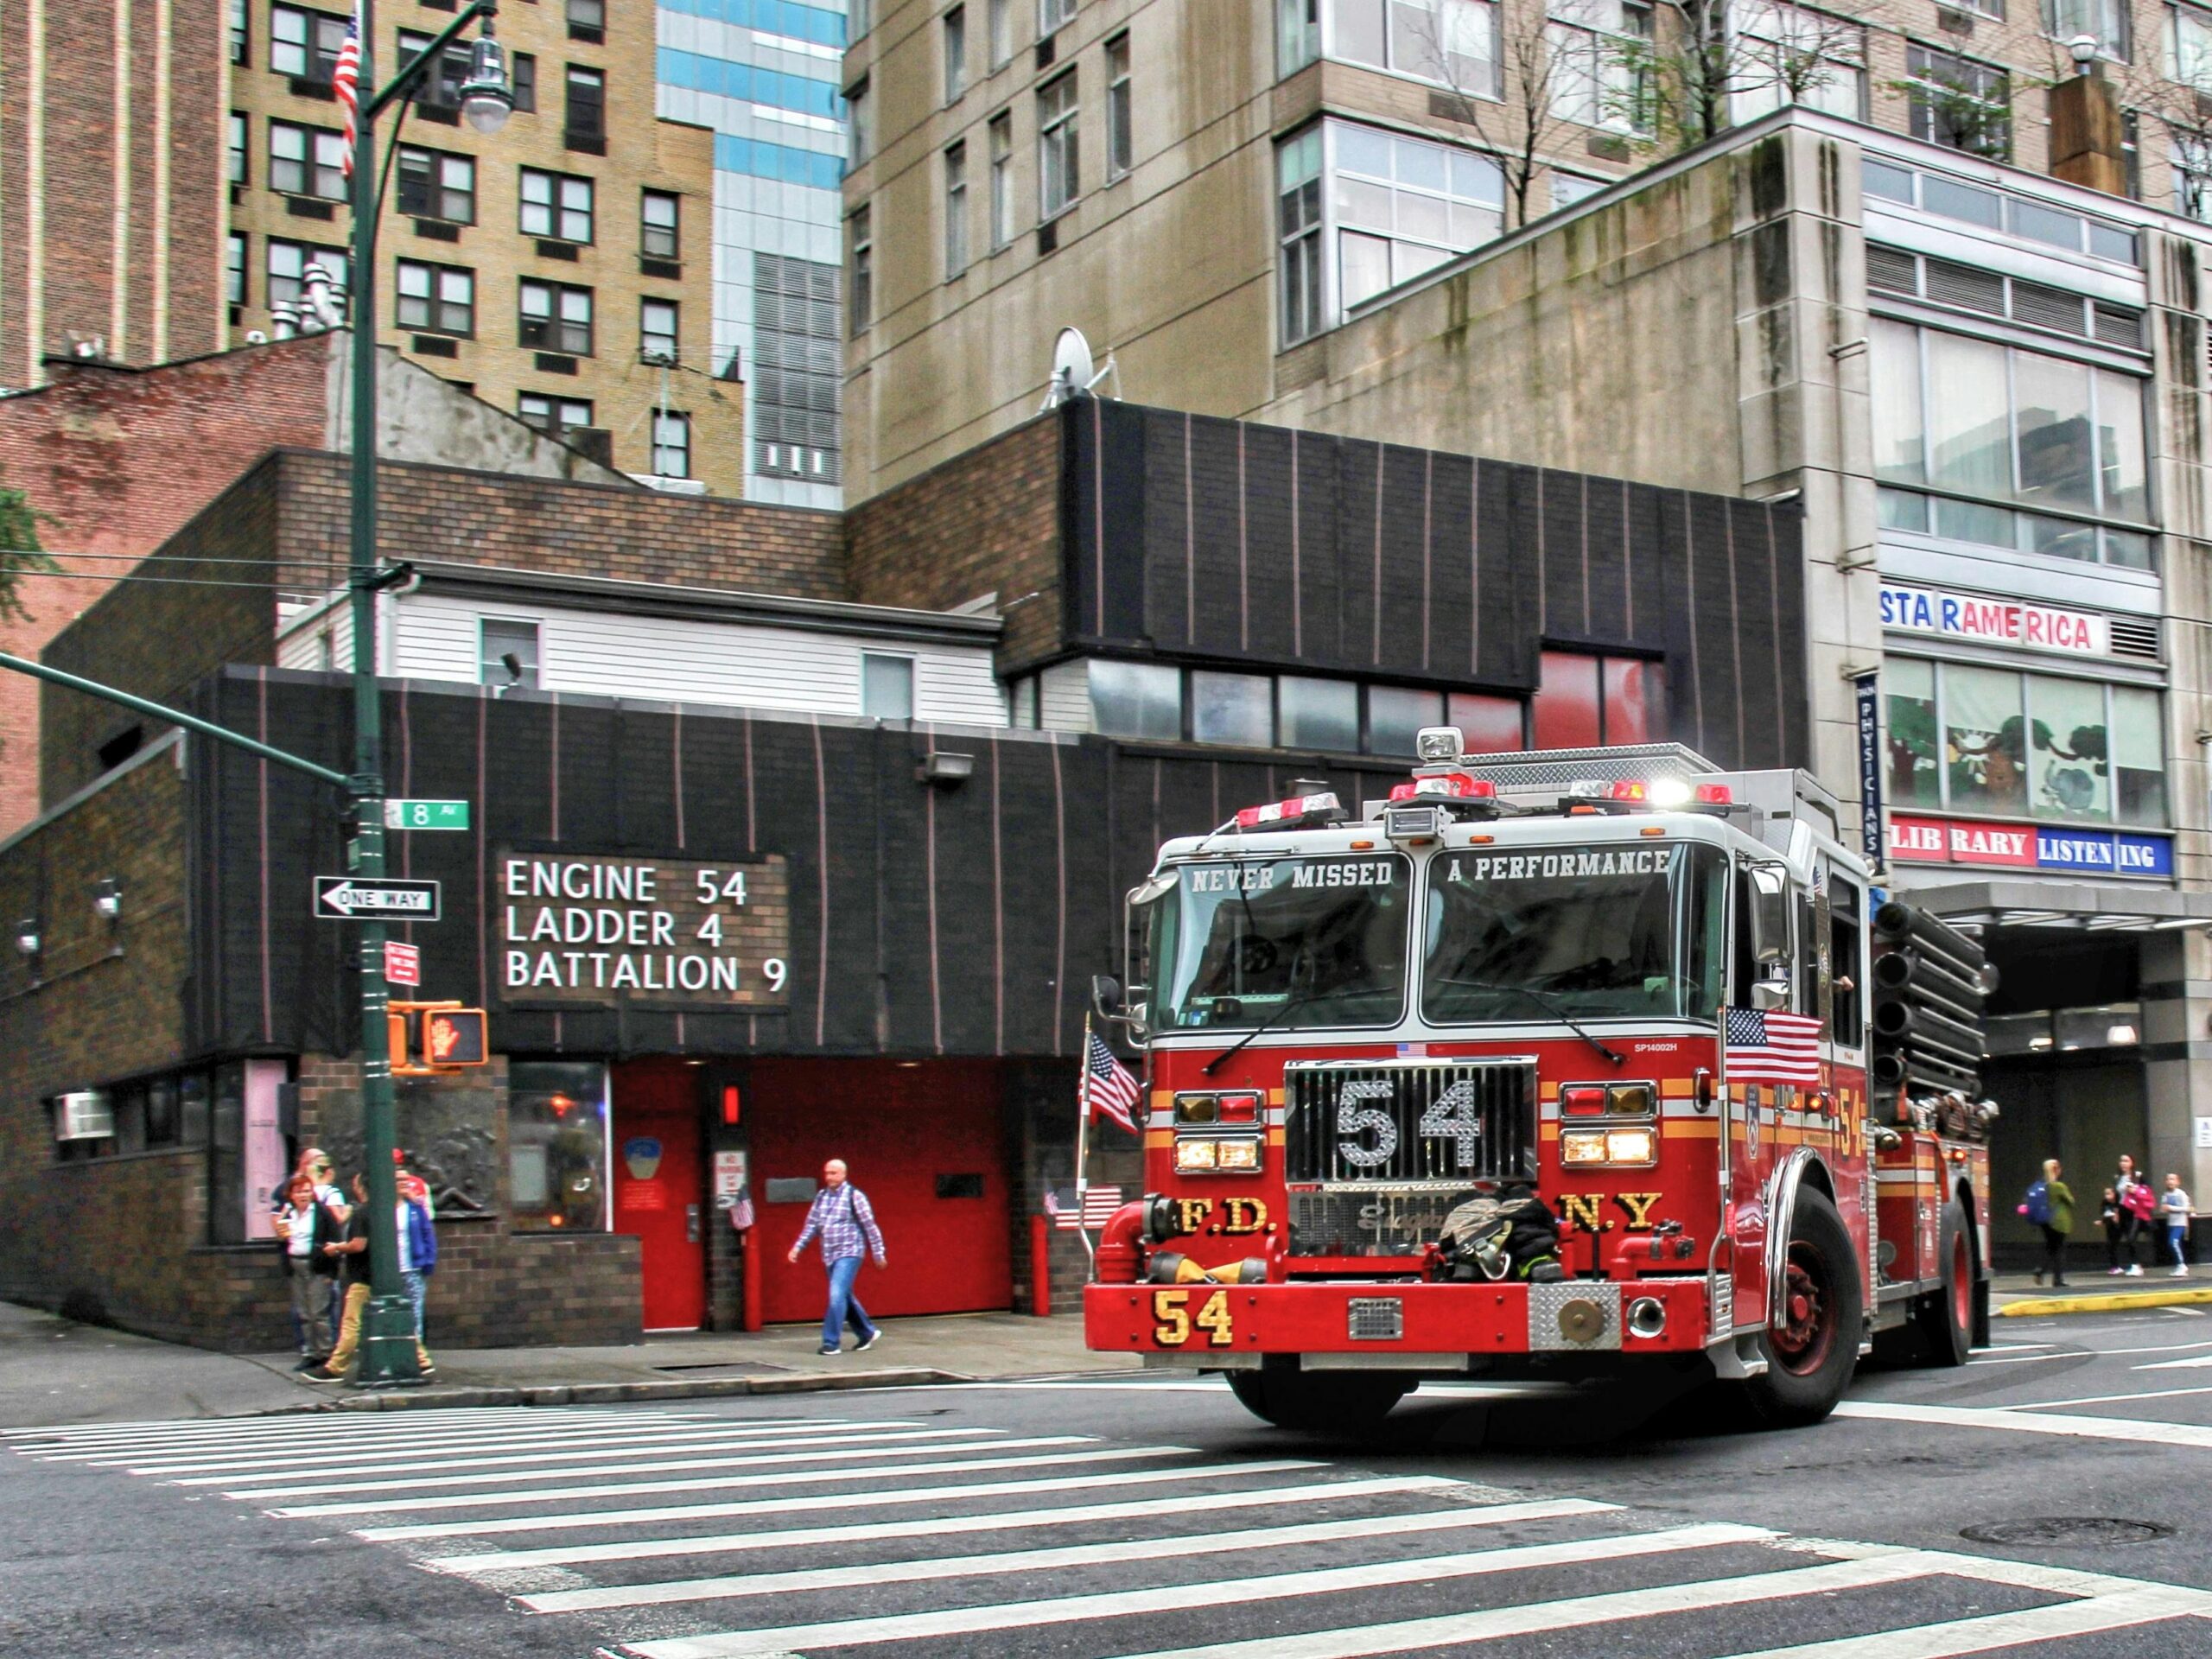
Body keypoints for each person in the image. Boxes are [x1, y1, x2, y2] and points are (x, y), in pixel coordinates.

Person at [307, 1173, 433, 1382]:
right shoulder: (385, 1211)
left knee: (351, 1322)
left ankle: (336, 1367)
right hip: (382, 1273)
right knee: (397, 1314)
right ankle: (422, 1359)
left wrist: (337, 1248)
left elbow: (358, 1244)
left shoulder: (362, 1212)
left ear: (360, 1188)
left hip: (362, 1277)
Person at [787, 1159, 886, 1357]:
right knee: (843, 1295)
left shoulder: (855, 1196)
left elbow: (870, 1226)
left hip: (850, 1252)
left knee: (836, 1294)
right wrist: (798, 1248)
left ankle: (831, 1342)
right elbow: (812, 1225)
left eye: (833, 1173)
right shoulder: (822, 1197)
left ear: (843, 1175)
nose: (829, 1177)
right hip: (829, 1254)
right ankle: (867, 1332)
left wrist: (878, 1252)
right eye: (827, 1173)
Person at [273, 1173, 339, 1369]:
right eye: (299, 1191)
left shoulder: (322, 1213)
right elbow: (281, 1239)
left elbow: (333, 1240)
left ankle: (325, 1353)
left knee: (318, 1312)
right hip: (295, 1264)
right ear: (291, 1194)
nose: (303, 1194)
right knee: (304, 1312)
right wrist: (281, 1228)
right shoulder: (289, 1213)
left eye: (307, 1190)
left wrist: (331, 1273)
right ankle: (310, 1352)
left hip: (317, 1266)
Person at [395, 1156, 438, 1379]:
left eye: (405, 1179)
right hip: (392, 1270)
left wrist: (428, 1261)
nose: (404, 1182)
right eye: (398, 1179)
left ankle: (415, 1358)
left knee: (414, 1314)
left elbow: (427, 1234)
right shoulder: (382, 1210)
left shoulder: (414, 1209)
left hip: (413, 1268)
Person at [2024, 1159, 2073, 1288]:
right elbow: (2071, 1201)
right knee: (2059, 1250)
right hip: (2058, 1221)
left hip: (2044, 1221)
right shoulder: (2059, 1186)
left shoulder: (2040, 1185)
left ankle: (2040, 1270)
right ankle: (2057, 1279)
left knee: (2051, 1248)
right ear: (2056, 1170)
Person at [2117, 1156, 2157, 1276]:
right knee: (2127, 1237)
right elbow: (2118, 1196)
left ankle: (2137, 1265)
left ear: (2132, 1163)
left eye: (2126, 1161)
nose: (2123, 1164)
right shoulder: (2119, 1178)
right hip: (2123, 1209)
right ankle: (2134, 1264)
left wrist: (2135, 1190)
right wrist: (2116, 1211)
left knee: (2131, 1237)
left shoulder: (2137, 1176)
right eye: (2121, 1161)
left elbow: (2147, 1192)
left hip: (2135, 1211)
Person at [2162, 1173, 2195, 1278]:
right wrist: (2164, 1208)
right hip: (2171, 1223)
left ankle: (2182, 1265)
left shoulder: (2181, 1194)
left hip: (2180, 1223)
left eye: (2172, 1179)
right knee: (2174, 1244)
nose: (2170, 1181)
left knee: (2173, 1243)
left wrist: (2171, 1208)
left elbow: (2187, 1208)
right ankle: (2178, 1265)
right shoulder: (2166, 1194)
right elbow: (2163, 1208)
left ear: (2177, 1182)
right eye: (2168, 1179)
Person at [2099, 1187, 2126, 1275]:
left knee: (2113, 1245)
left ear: (2114, 1194)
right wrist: (2103, 1221)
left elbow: (2121, 1217)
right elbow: (2104, 1214)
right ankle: (2114, 1266)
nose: (2106, 1196)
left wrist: (2117, 1217)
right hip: (2109, 1226)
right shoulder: (2105, 1204)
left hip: (2118, 1227)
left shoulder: (2119, 1205)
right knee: (2110, 1246)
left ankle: (2116, 1266)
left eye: (2109, 1194)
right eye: (2105, 1194)